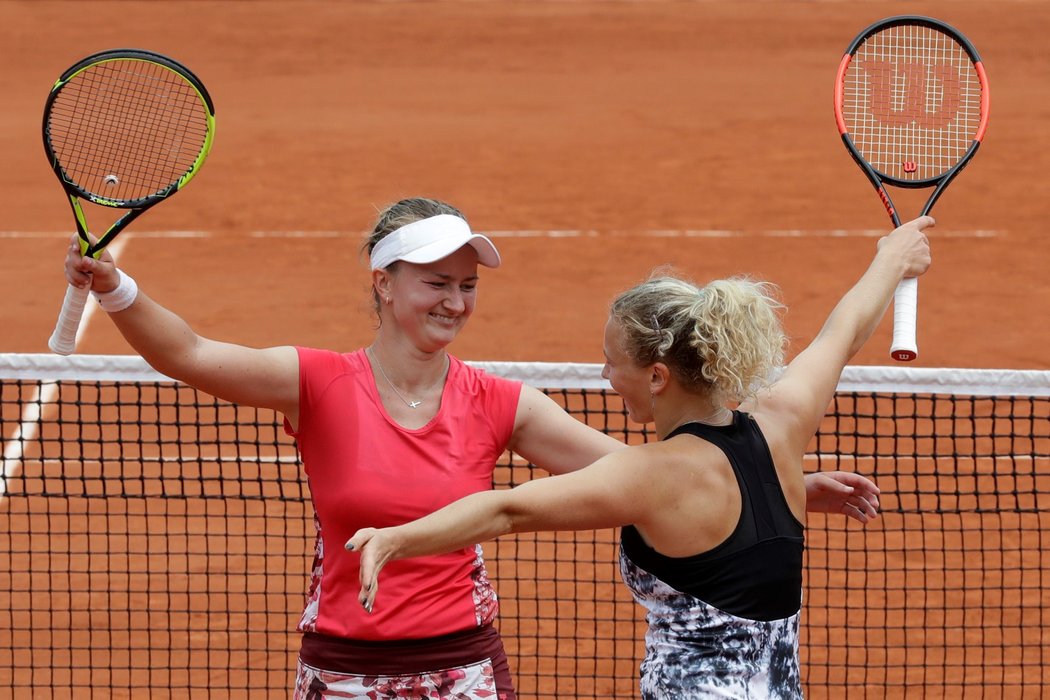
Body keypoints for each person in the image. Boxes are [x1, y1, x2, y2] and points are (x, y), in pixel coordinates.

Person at [64, 196, 885, 699]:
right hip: (343, 669)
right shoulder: (313, 381)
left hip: (463, 670)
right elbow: (194, 357)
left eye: (467, 285)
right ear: (384, 284)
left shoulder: (500, 402)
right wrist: (121, 290)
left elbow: (631, 473)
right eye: (435, 282)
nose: (455, 301)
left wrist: (786, 485)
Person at [345, 214, 934, 699]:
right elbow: (845, 330)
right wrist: (893, 258)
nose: (604, 375)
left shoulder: (652, 475)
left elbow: (508, 510)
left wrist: (397, 540)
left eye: (611, 362)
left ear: (656, 376)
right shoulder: (783, 419)